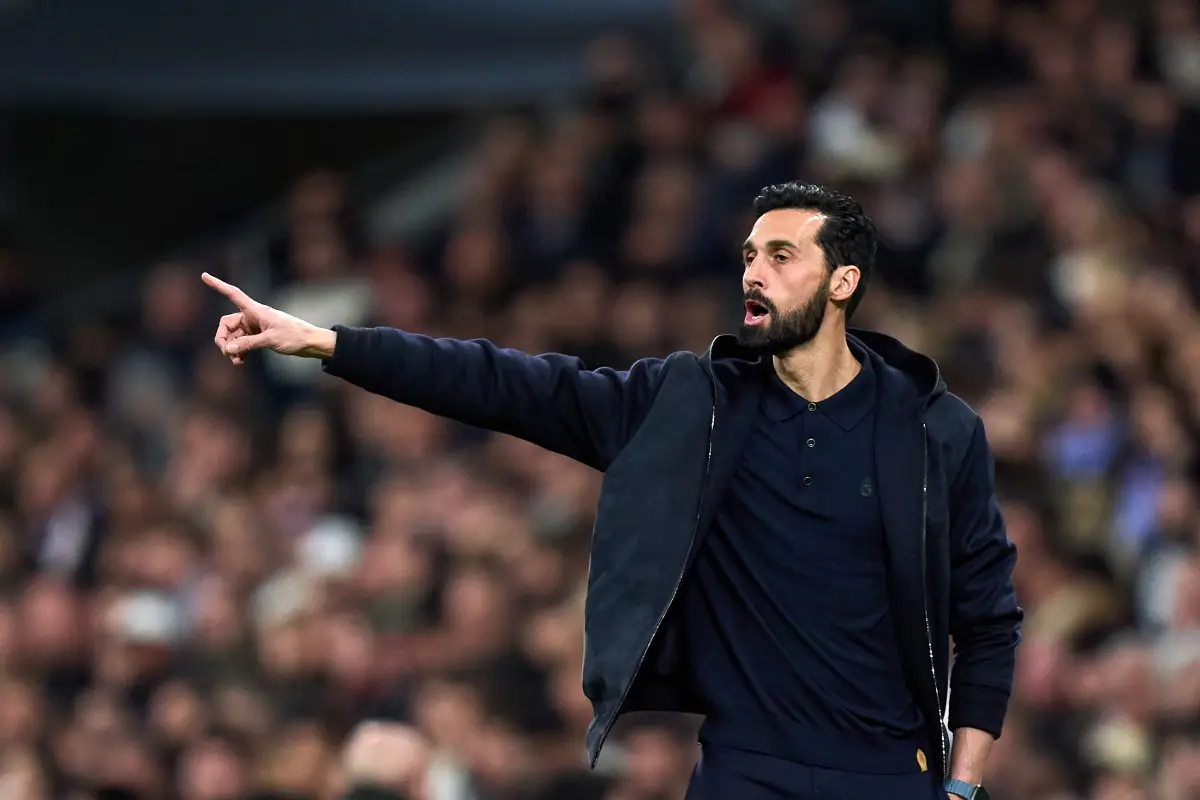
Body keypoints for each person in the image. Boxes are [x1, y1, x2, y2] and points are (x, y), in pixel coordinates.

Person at [204, 182, 1021, 800]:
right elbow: (508, 385)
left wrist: (963, 786)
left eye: (781, 257)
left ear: (843, 283)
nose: (755, 273)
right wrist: (329, 342)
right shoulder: (689, 405)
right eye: (747, 255)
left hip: (889, 772)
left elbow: (987, 623)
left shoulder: (935, 430)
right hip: (744, 770)